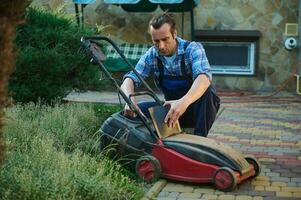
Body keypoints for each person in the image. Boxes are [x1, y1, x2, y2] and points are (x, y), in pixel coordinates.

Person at [120, 13, 220, 137]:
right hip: (171, 111)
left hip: (197, 112)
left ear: (174, 34)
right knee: (135, 112)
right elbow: (130, 78)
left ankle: (200, 140)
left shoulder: (193, 49)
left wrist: (183, 102)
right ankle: (150, 145)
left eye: (165, 39)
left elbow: (204, 78)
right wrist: (129, 100)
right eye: (156, 41)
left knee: (207, 92)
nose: (161, 46)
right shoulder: (152, 55)